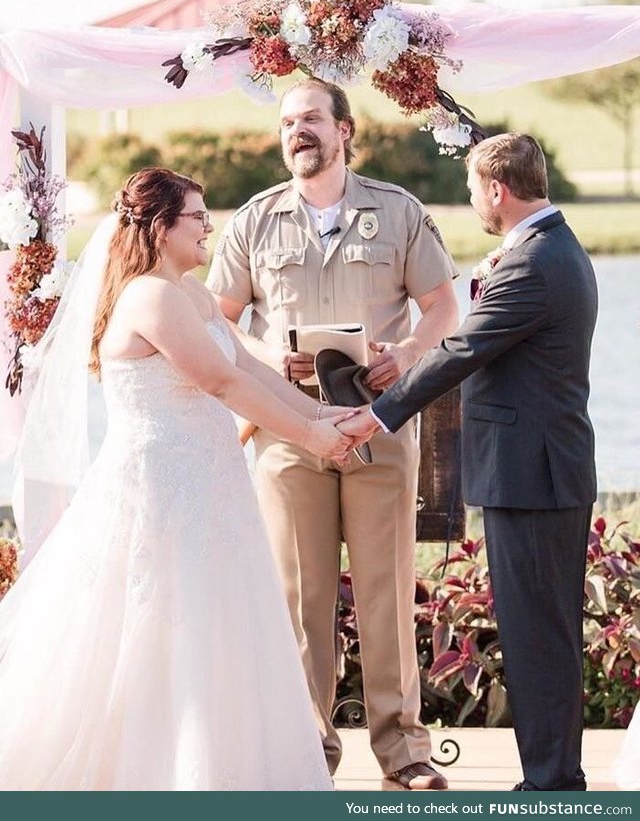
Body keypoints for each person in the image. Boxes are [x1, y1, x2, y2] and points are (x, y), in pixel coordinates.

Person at [0, 167, 358, 791]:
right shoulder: (150, 297)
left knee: (221, 621)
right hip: (161, 490)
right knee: (164, 625)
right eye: (197, 216)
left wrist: (325, 412)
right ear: (162, 227)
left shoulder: (189, 295)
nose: (208, 226)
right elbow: (221, 384)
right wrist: (310, 438)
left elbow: (247, 365)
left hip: (210, 481)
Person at [208, 78, 459, 789]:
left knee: (386, 593)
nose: (298, 133)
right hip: (286, 432)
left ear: (345, 129)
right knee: (300, 600)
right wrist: (264, 357)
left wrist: (405, 355)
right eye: (288, 123)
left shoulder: (400, 212)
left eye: (312, 119)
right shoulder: (255, 222)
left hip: (377, 427)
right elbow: (219, 320)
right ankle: (306, 753)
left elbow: (443, 305)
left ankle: (404, 753)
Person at [340, 133, 598, 792]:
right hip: (540, 468)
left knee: (537, 633)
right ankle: (554, 772)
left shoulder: (535, 263)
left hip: (531, 474)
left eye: (473, 189)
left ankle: (551, 783)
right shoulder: (548, 248)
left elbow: (458, 352)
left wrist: (378, 412)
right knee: (545, 630)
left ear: (497, 191)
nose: (471, 199)